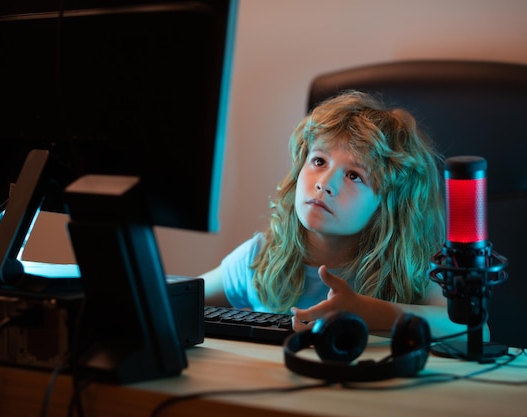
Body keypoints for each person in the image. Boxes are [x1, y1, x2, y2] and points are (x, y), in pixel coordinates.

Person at [203, 90, 478, 339]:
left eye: (354, 175)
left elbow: (476, 331)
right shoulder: (261, 257)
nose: (325, 183)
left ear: (388, 206)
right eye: (319, 161)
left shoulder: (409, 271)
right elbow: (178, 299)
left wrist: (374, 313)